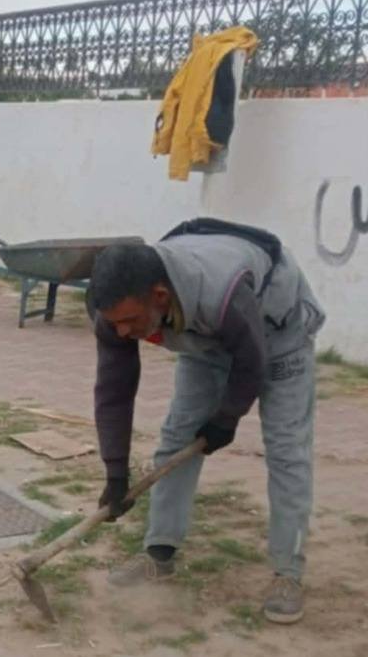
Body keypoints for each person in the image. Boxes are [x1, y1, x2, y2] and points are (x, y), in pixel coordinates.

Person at [88, 218, 325, 625]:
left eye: (131, 321)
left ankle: (288, 573)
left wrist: (226, 419)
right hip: (207, 338)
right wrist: (116, 473)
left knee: (287, 450)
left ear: (159, 296)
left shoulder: (221, 293)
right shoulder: (114, 314)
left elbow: (252, 363)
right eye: (115, 323)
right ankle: (159, 554)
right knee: (176, 439)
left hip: (277, 332)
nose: (123, 332)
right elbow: (114, 392)